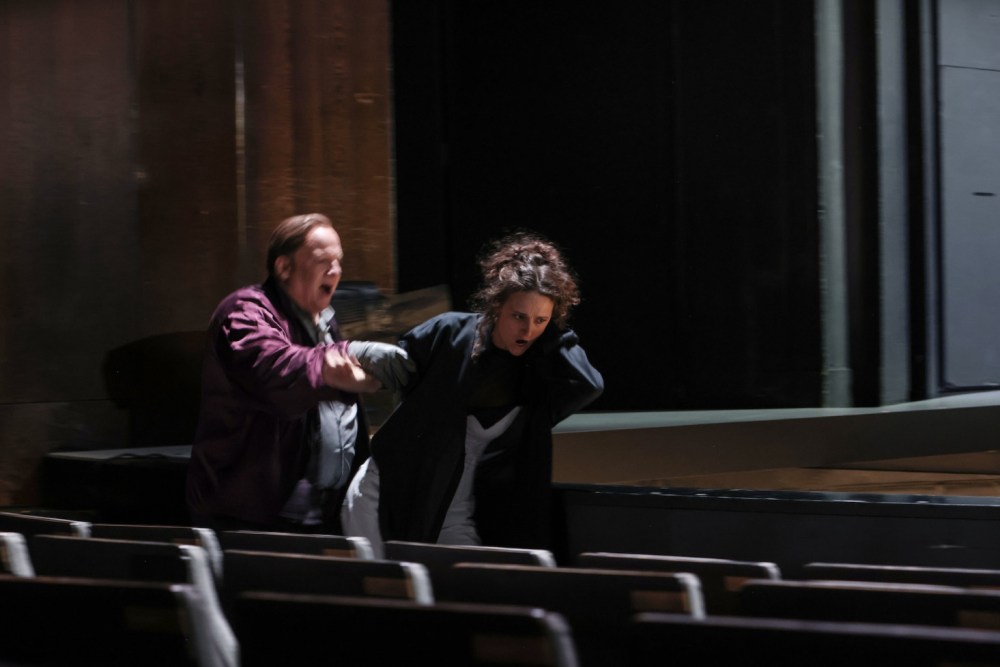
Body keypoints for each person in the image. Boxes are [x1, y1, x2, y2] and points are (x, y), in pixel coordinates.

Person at [342, 231, 604, 557]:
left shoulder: (537, 371)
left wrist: (553, 335)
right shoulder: (450, 333)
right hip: (384, 496)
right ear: (497, 306)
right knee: (384, 594)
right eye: (518, 316)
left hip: (454, 514)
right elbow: (390, 370)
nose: (527, 331)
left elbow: (589, 383)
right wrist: (352, 352)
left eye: (541, 320)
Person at [186, 213, 414, 534]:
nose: (335, 271)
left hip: (320, 513)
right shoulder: (245, 311)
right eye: (323, 260)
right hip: (251, 519)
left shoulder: (323, 321)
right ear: (284, 267)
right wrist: (347, 356)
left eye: (339, 261)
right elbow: (276, 367)